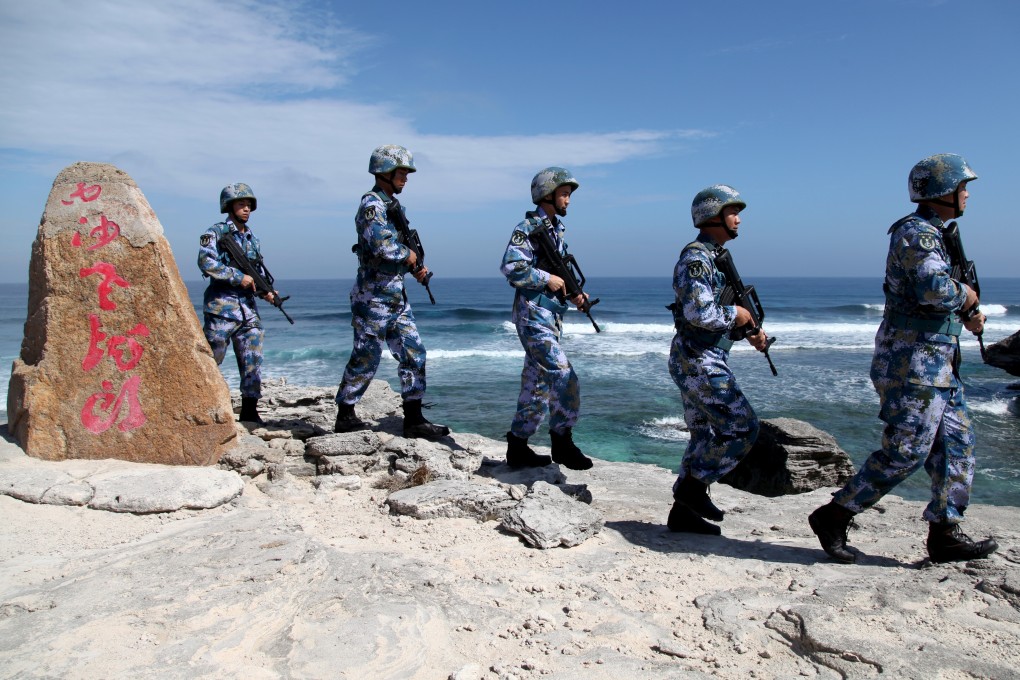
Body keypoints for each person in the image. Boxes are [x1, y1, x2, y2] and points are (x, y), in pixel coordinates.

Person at [809, 153, 997, 564]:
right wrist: (965, 296)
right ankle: (835, 514)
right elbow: (933, 288)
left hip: (939, 362)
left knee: (958, 447)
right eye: (961, 187)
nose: (967, 194)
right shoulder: (916, 233)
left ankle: (945, 533)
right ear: (942, 191)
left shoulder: (937, 233)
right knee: (908, 449)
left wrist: (966, 312)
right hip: (912, 361)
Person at [666, 185, 770, 535]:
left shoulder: (715, 256)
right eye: (732, 212)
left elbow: (721, 311)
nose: (738, 219)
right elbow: (699, 312)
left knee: (703, 435)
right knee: (742, 426)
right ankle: (692, 490)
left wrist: (748, 327)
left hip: (701, 355)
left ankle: (682, 515)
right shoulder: (697, 259)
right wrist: (736, 315)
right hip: (698, 358)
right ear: (713, 216)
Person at [333, 145, 449, 440]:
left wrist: (415, 266)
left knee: (414, 353)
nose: (406, 178)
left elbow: (399, 251)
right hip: (372, 296)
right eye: (401, 172)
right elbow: (382, 247)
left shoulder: (394, 207)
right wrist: (408, 255)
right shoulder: (372, 205)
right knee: (366, 355)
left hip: (395, 296)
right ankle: (345, 414)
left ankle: (414, 420)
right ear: (384, 172)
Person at [499, 167, 593, 471]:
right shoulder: (526, 227)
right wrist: (546, 277)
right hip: (533, 315)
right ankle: (562, 442)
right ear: (547, 195)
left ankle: (517, 447)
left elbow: (560, 275)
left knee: (536, 384)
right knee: (565, 376)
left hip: (550, 316)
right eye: (564, 194)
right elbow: (511, 267)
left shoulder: (556, 230)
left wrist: (574, 294)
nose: (568, 200)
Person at [198, 183, 277, 424]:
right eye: (241, 204)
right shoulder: (215, 233)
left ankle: (250, 410)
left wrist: (266, 291)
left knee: (252, 358)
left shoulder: (252, 239)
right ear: (229, 206)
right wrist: (237, 277)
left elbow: (255, 271)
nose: (246, 209)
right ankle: (202, 402)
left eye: (248, 205)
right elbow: (206, 262)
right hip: (222, 308)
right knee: (211, 357)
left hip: (248, 311)